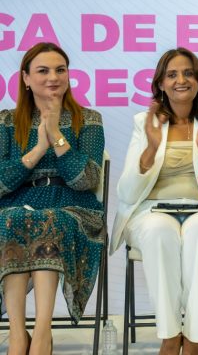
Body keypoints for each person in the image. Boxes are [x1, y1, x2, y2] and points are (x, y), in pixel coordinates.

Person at [111, 48, 198, 355]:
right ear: (160, 83)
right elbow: (127, 193)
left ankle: (195, 338)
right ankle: (170, 336)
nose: (180, 80)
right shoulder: (144, 122)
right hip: (151, 211)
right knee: (159, 232)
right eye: (172, 74)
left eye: (188, 73)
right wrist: (150, 150)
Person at [0, 42, 105, 355]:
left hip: (73, 205)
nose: (53, 77)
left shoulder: (87, 119)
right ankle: (18, 334)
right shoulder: (6, 121)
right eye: (43, 70)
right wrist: (37, 149)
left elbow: (87, 180)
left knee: (48, 219)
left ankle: (42, 332)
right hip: (17, 203)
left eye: (60, 69)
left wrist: (56, 135)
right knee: (14, 219)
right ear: (26, 78)